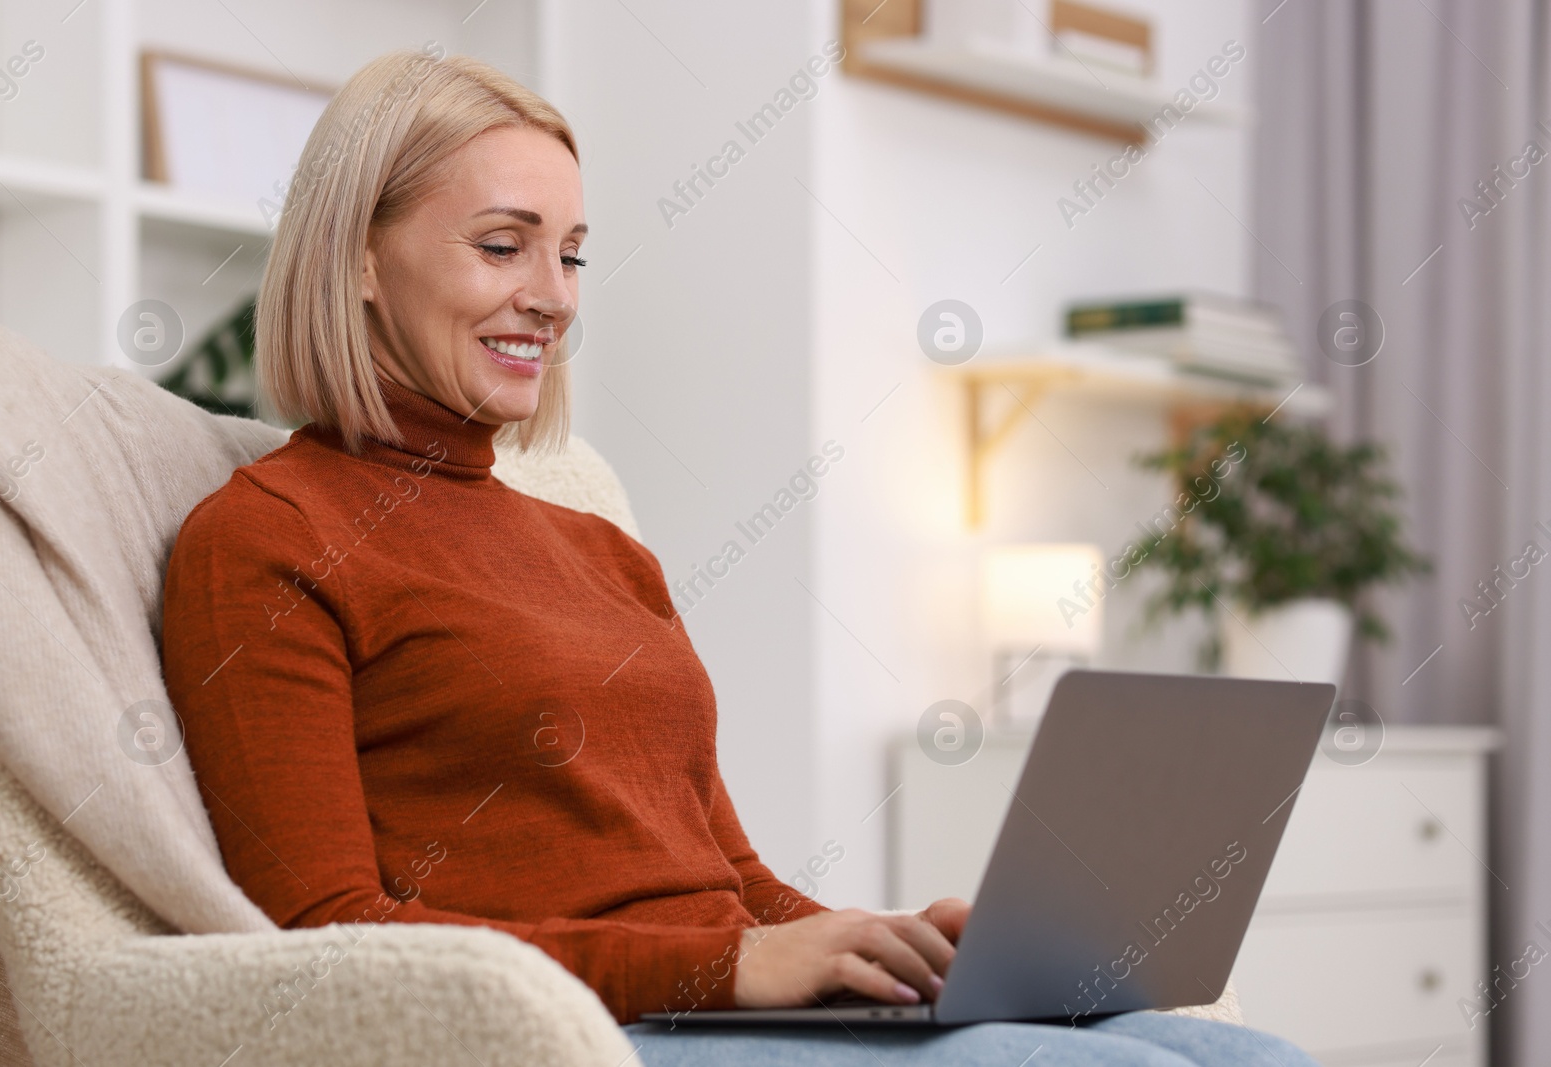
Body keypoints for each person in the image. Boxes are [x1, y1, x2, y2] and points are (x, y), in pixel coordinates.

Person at [159, 49, 1317, 1067]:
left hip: (708, 1007)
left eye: (569, 255)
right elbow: (323, 941)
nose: (551, 298)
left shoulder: (603, 550)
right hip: (567, 1031)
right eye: (503, 246)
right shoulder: (264, 540)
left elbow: (729, 879)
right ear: (359, 260)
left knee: (1248, 1049)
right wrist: (728, 968)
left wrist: (893, 952)